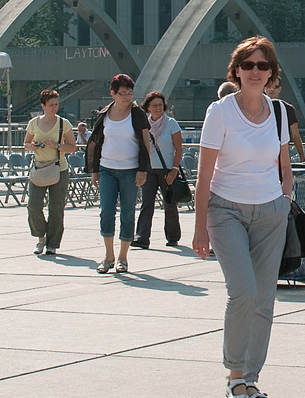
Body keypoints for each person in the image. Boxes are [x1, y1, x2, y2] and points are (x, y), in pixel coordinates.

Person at [193, 36, 293, 398]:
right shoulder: (220, 112)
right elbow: (204, 176)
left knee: (265, 298)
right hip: (226, 210)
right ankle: (235, 374)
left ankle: (252, 376)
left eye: (262, 65)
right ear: (236, 71)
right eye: (248, 65)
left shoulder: (279, 112)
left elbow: (284, 165)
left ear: (271, 72)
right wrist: (200, 226)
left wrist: (283, 196)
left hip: (270, 212)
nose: (255, 71)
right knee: (243, 293)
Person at [84, 74, 151, 274]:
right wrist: (94, 170)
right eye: (122, 93)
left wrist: (143, 169)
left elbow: (145, 144)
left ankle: (123, 257)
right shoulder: (105, 113)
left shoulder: (137, 114)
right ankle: (108, 255)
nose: (127, 97)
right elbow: (98, 142)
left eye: (130, 93)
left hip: (130, 170)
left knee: (127, 212)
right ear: (112, 94)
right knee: (106, 210)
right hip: (107, 168)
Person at [24, 88, 76, 257]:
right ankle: (41, 236)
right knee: (33, 206)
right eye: (51, 104)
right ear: (43, 106)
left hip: (58, 169)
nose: (54, 107)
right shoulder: (33, 123)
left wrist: (57, 146)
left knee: (56, 208)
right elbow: (26, 143)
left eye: (56, 104)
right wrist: (33, 146)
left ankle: (52, 243)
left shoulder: (63, 123)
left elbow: (72, 147)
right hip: (39, 168)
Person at [134, 91, 185, 249]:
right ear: (148, 107)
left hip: (167, 169)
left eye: (160, 105)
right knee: (146, 203)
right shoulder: (144, 125)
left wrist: (174, 170)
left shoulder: (171, 123)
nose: (158, 108)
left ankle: (172, 236)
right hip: (149, 169)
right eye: (154, 105)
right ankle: (142, 236)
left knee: (169, 203)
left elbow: (178, 148)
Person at [265, 79, 305, 161]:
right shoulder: (256, 107)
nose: (272, 89)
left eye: (275, 87)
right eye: (269, 86)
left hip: (281, 152)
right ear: (264, 88)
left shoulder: (288, 108)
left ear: (279, 89)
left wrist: (302, 156)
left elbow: (295, 135)